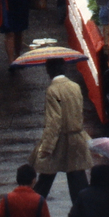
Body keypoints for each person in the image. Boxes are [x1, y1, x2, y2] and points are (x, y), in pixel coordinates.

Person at [33, 55, 92, 203]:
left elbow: (54, 121)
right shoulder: (75, 86)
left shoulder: (53, 91)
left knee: (45, 179)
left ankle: (31, 209)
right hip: (77, 139)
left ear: (48, 71)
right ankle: (82, 216)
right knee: (78, 182)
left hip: (60, 140)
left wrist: (46, 147)